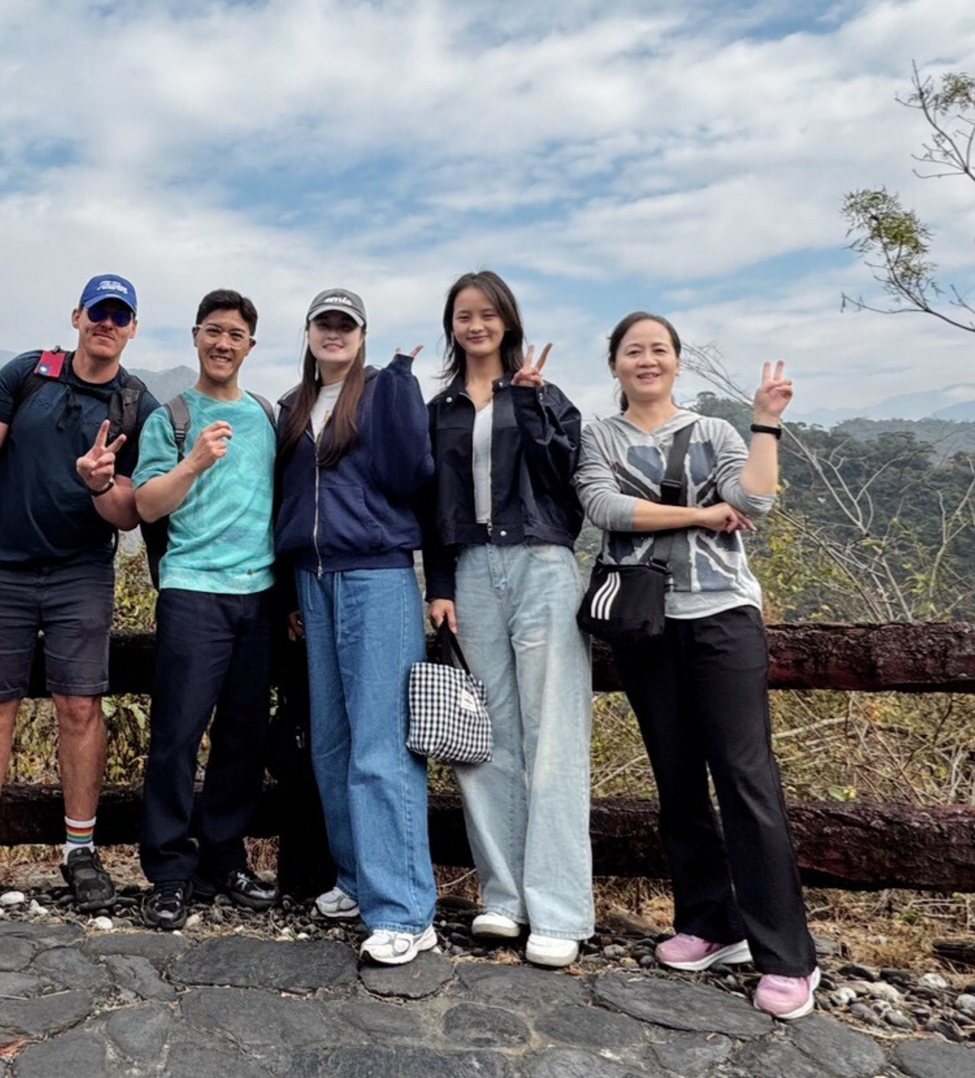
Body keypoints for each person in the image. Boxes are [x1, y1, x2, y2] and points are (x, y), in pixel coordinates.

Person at [574, 311, 820, 1019]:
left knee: (745, 777)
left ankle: (786, 957)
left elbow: (754, 502)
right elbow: (604, 507)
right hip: (644, 623)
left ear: (676, 362)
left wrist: (764, 423)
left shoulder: (712, 432)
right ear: (615, 364)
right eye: (632, 351)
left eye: (658, 350)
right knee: (676, 777)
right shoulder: (600, 437)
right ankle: (710, 923)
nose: (645, 361)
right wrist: (699, 515)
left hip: (720, 618)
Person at [0, 274, 160, 915]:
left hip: (82, 572)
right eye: (98, 311)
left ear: (133, 328)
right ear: (78, 316)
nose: (108, 323)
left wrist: (97, 482)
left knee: (79, 708)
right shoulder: (29, 374)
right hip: (1, 567)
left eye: (121, 315)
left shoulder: (138, 405)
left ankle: (79, 850)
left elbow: (127, 515)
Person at [422, 271, 593, 969]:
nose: (475, 325)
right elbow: (427, 503)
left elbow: (569, 485)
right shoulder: (441, 410)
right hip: (470, 573)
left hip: (542, 565)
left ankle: (558, 909)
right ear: (452, 326)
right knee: (482, 738)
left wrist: (527, 405)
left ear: (508, 321)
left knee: (552, 734)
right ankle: (504, 897)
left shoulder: (546, 397)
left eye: (487, 314)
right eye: (464, 315)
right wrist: (438, 584)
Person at [275, 288, 437, 966]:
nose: (334, 333)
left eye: (345, 325)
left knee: (380, 745)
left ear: (361, 334)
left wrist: (400, 384)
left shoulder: (379, 391)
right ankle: (357, 879)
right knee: (333, 744)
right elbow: (288, 500)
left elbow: (414, 472)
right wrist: (291, 585)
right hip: (313, 581)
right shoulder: (290, 408)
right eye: (324, 323)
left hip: (377, 575)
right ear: (309, 332)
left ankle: (405, 909)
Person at [131, 289, 280, 930]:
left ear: (251, 345)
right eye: (213, 331)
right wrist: (192, 462)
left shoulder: (269, 416)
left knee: (243, 735)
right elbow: (145, 506)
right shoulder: (170, 417)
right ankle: (168, 869)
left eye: (236, 334)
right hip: (193, 589)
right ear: (195, 336)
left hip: (261, 594)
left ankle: (224, 856)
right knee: (177, 735)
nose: (223, 343)